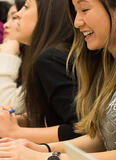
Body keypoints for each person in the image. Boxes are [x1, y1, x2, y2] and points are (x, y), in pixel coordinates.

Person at [0, 0, 116, 159]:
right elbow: (101, 137)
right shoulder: (111, 61)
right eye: (76, 12)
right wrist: (41, 149)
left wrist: (47, 156)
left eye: (84, 9)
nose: (77, 22)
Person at [0, 0, 82, 143]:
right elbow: (52, 115)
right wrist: (18, 121)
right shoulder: (51, 54)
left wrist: (15, 132)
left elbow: (81, 129)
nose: (19, 14)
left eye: (26, 7)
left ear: (48, 15)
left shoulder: (51, 59)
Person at [0, 0, 26, 114]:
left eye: (14, 17)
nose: (5, 25)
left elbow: (5, 108)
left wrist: (8, 56)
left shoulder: (47, 59)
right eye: (7, 18)